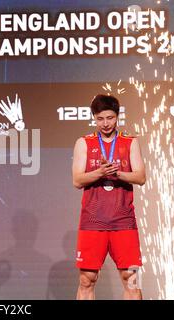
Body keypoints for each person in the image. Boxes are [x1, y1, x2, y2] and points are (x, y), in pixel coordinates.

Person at [72, 94, 146, 300]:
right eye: (100, 119)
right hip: (92, 222)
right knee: (87, 279)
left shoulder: (130, 142)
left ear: (118, 117)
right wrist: (100, 173)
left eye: (110, 118)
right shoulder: (83, 143)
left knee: (131, 277)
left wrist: (117, 173)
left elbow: (141, 177)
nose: (106, 124)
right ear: (94, 118)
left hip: (124, 222)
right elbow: (77, 180)